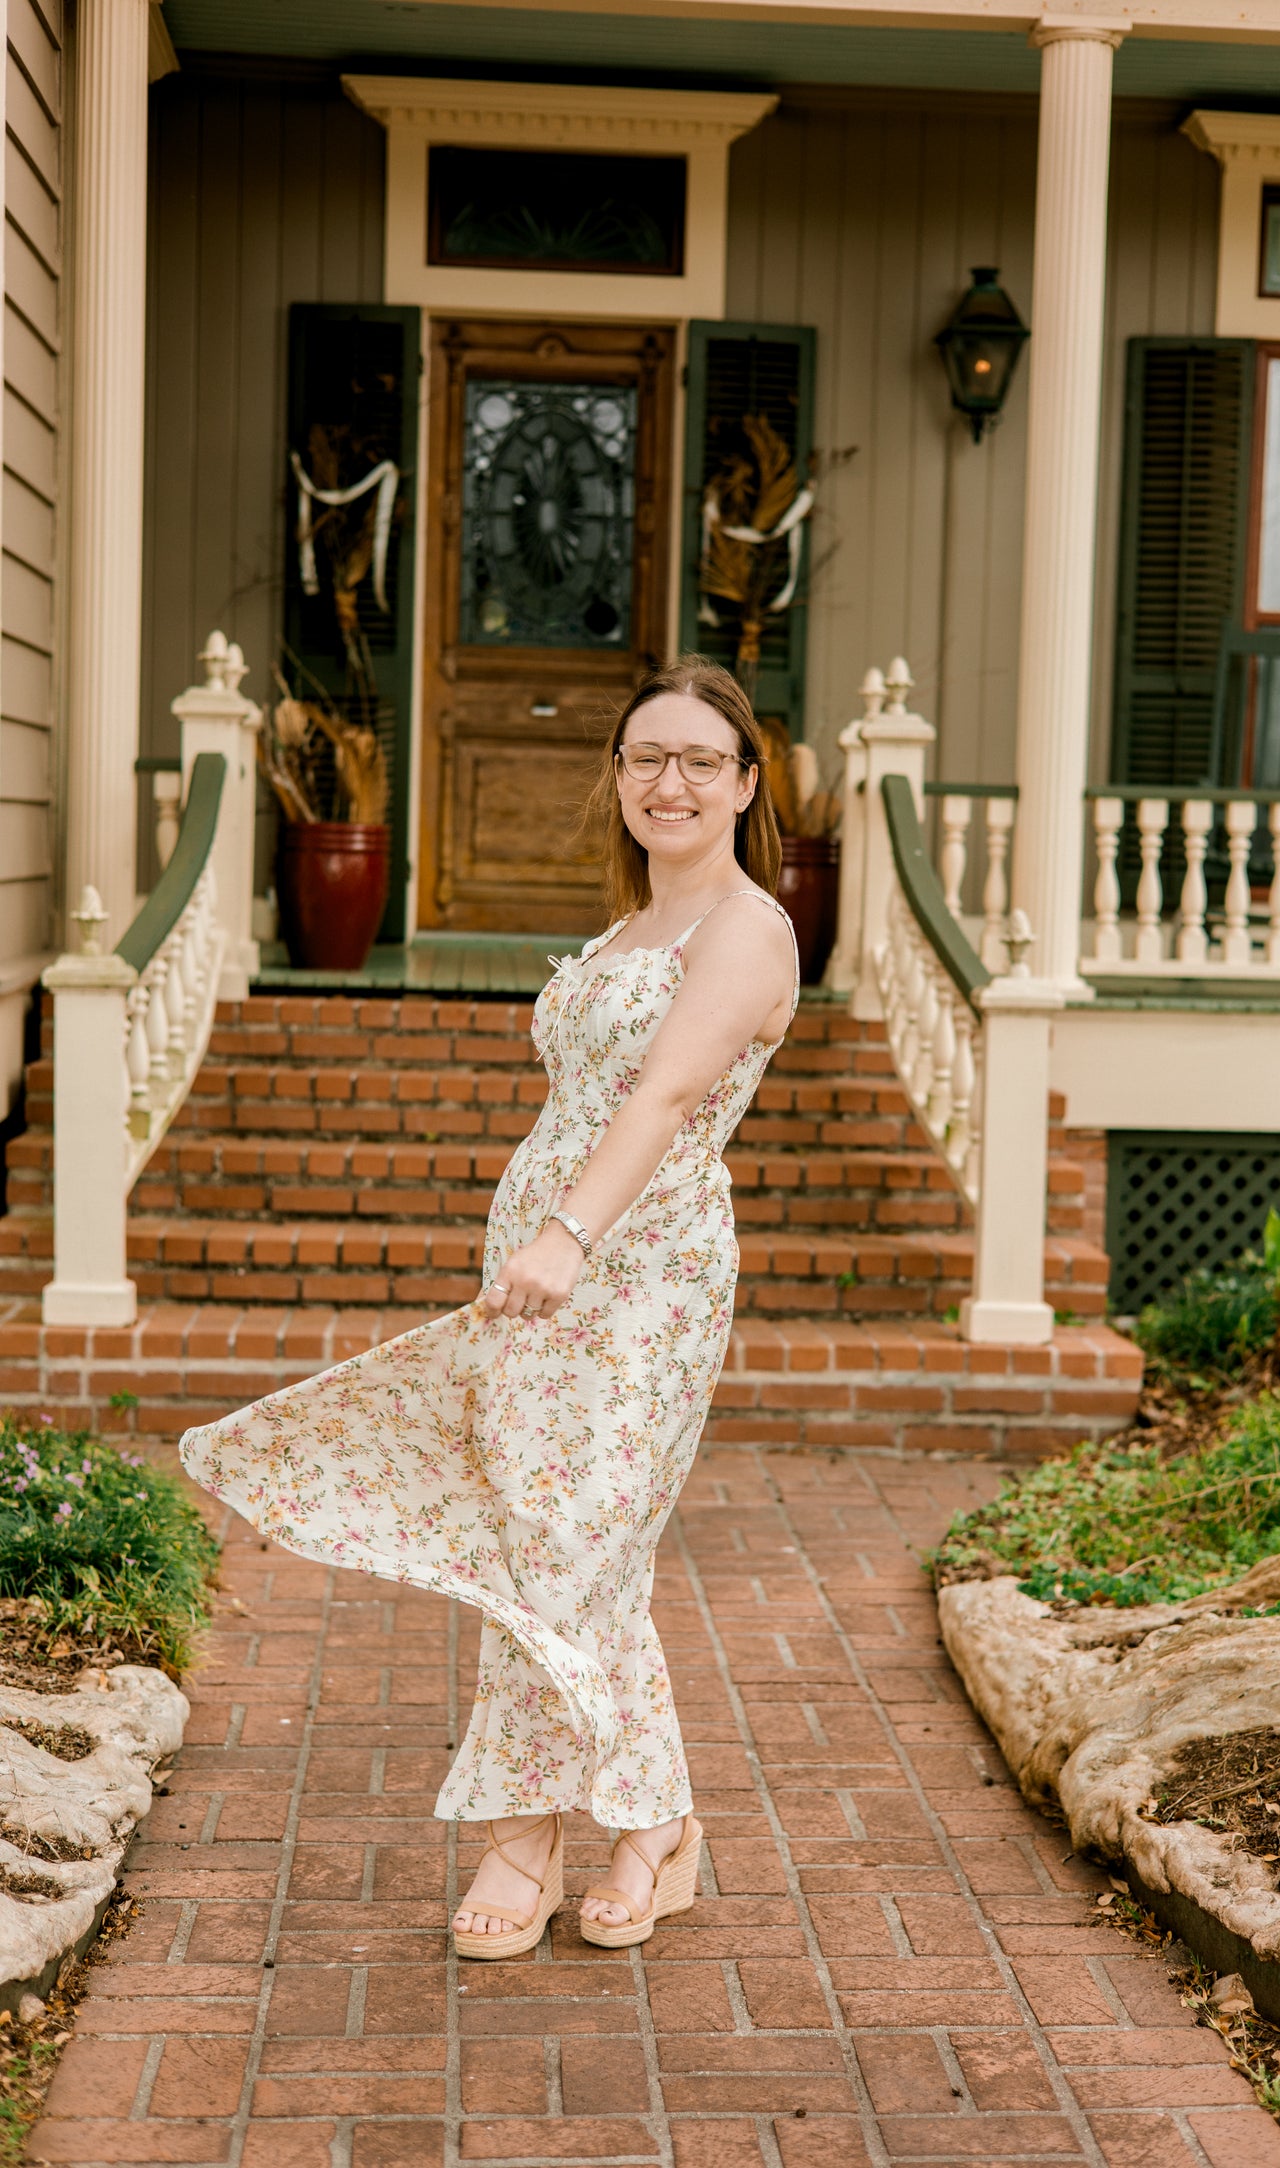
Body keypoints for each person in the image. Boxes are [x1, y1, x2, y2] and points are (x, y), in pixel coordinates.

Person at [179, 657, 799, 1959]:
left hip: (641, 1278)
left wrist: (571, 1235)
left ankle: (549, 1836)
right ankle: (650, 1831)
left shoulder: (746, 928)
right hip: (544, 1262)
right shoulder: (632, 928)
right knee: (544, 1544)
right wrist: (540, 1237)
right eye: (646, 758)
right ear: (619, 780)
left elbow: (662, 1101)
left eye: (698, 760)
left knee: (570, 1544)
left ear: (745, 783)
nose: (668, 782)